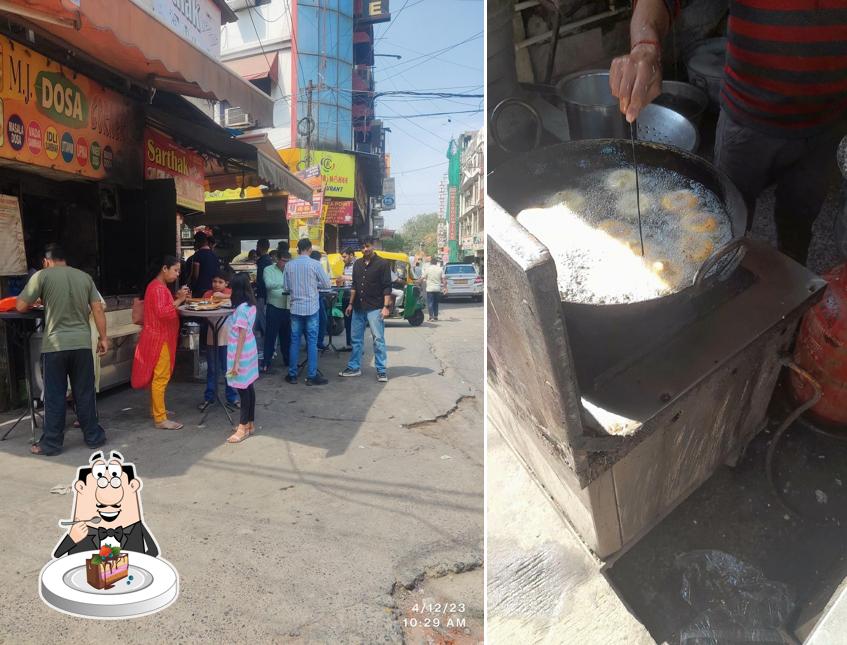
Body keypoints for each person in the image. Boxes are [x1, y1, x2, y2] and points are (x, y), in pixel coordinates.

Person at [609, 0, 847, 265]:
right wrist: (645, 46)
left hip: (828, 125)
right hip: (747, 120)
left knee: (799, 224)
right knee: (724, 225)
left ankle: (795, 274)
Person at [17, 244, 108, 457]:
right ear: (65, 259)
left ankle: (51, 444)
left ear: (46, 261)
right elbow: (97, 309)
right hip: (82, 344)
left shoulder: (41, 276)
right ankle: (94, 437)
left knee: (56, 395)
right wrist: (103, 338)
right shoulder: (84, 278)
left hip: (55, 346)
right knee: (84, 393)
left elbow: (21, 306)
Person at [131, 256, 190, 430]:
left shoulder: (158, 286)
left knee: (156, 376)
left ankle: (157, 410)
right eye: (175, 270)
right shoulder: (157, 288)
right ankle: (160, 418)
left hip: (158, 337)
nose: (177, 274)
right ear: (164, 268)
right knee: (160, 377)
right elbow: (164, 313)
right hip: (159, 338)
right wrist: (179, 300)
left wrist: (178, 297)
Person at [339, 236, 392, 382]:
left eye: (367, 246)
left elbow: (387, 287)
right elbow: (354, 286)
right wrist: (350, 304)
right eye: (363, 247)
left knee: (378, 339)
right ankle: (354, 367)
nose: (365, 249)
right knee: (356, 339)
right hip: (358, 307)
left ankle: (381, 370)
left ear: (373, 246)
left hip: (375, 307)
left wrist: (386, 307)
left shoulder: (382, 264)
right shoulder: (357, 264)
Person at [283, 239, 331, 386]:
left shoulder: (289, 265)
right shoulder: (315, 264)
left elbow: (286, 287)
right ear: (310, 249)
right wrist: (314, 284)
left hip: (295, 308)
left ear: (298, 249)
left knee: (294, 341)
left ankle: (292, 375)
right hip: (311, 308)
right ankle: (311, 376)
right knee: (312, 342)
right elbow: (327, 284)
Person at [225, 273, 259, 443]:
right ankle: (250, 424)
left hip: (241, 354)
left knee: (243, 391)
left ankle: (242, 427)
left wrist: (236, 362)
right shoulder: (250, 305)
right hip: (250, 351)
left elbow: (241, 336)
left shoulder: (241, 310)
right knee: (249, 388)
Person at [199, 271, 238, 412]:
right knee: (212, 369)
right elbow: (201, 308)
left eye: (220, 282)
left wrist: (224, 296)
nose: (216, 284)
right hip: (212, 336)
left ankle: (232, 397)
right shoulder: (207, 294)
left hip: (228, 336)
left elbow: (241, 300)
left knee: (229, 369)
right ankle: (209, 397)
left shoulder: (232, 293)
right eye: (214, 281)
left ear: (226, 283)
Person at [262, 250, 291, 372]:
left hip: (288, 307)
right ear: (277, 259)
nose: (285, 264)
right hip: (274, 306)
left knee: (287, 337)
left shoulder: (290, 270)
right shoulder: (268, 270)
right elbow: (268, 285)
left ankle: (288, 361)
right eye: (283, 261)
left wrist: (279, 286)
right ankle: (266, 362)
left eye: (288, 261)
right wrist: (285, 285)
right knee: (270, 336)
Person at [189, 233, 219, 298]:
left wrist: (191, 285)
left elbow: (195, 274)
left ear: (197, 242)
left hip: (200, 289)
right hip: (211, 288)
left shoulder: (197, 255)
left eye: (195, 242)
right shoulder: (215, 255)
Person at [254, 239, 272, 340]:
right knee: (262, 316)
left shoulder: (262, 261)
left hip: (262, 294)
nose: (256, 248)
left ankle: (267, 340)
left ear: (259, 247)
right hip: (266, 294)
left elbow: (261, 280)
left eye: (257, 246)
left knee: (263, 317)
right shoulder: (268, 260)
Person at [310, 250, 329, 350]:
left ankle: (316, 343)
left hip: (318, 296)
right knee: (320, 320)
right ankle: (317, 343)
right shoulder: (316, 265)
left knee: (320, 320)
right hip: (315, 297)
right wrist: (317, 284)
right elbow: (326, 284)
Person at [338, 247, 356, 349]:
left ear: (351, 255)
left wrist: (345, 277)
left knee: (355, 323)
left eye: (344, 257)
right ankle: (349, 344)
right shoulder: (346, 265)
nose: (343, 259)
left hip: (354, 298)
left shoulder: (357, 265)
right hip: (345, 296)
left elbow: (359, 278)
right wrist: (340, 281)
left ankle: (356, 346)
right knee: (347, 322)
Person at [422, 256, 444, 322]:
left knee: (430, 303)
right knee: (436, 303)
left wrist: (417, 282)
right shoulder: (440, 269)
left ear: (431, 263)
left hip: (430, 289)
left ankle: (431, 317)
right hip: (437, 289)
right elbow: (443, 279)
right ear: (436, 263)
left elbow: (423, 277)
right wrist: (445, 288)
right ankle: (436, 316)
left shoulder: (428, 269)